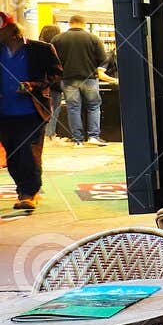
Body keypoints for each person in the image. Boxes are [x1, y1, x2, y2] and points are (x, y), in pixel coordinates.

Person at [0, 12, 62, 212]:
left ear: (12, 31)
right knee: (12, 155)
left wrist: (34, 85)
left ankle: (29, 192)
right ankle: (23, 189)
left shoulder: (40, 49)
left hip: (32, 112)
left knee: (29, 151)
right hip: (4, 113)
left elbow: (56, 74)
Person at [52, 15, 107, 147]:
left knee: (73, 108)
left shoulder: (57, 39)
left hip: (68, 79)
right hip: (89, 78)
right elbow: (103, 59)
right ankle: (93, 136)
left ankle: (78, 140)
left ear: (70, 23)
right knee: (93, 106)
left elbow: (52, 59)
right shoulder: (93, 38)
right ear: (84, 24)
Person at [38, 23, 65, 142]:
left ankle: (44, 134)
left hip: (40, 84)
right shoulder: (57, 47)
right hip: (55, 83)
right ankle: (50, 134)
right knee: (54, 108)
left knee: (43, 109)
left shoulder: (38, 47)